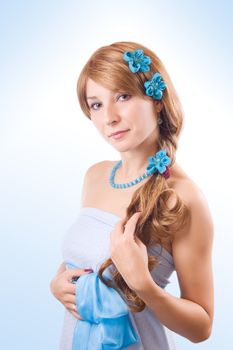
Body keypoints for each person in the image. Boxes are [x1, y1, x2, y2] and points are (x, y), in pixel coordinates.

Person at [50, 41, 214, 350]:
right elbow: (86, 257)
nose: (109, 117)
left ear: (156, 100)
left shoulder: (183, 197)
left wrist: (144, 286)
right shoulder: (95, 175)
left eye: (122, 97)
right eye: (95, 104)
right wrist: (58, 284)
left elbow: (201, 326)